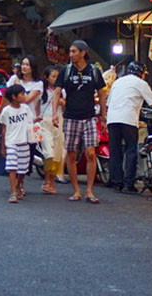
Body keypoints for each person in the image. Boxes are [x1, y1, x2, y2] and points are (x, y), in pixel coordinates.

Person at [106, 62, 152, 193]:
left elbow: (109, 103)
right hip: (128, 119)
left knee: (115, 151)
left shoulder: (118, 82)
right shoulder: (140, 83)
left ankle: (116, 182)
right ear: (141, 73)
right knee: (130, 150)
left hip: (112, 119)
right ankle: (128, 183)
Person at [54, 40, 107, 204]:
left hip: (90, 117)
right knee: (71, 154)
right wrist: (55, 113)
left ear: (83, 53)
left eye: (74, 51)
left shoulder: (94, 71)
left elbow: (102, 93)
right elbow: (57, 92)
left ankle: (89, 190)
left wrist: (104, 116)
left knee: (91, 153)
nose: (71, 55)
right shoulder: (66, 71)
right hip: (70, 117)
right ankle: (76, 190)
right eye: (70, 52)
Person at [0, 84, 34, 203]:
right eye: (22, 94)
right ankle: (13, 191)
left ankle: (19, 184)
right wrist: (3, 146)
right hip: (11, 142)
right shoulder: (7, 111)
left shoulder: (26, 109)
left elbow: (30, 122)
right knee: (12, 167)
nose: (25, 96)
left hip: (24, 141)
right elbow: (4, 129)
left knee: (23, 169)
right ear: (14, 96)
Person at [39, 65, 65, 194]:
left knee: (57, 153)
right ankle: (46, 180)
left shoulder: (62, 91)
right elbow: (36, 106)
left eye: (57, 77)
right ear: (46, 77)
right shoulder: (41, 90)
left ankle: (52, 180)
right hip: (44, 122)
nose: (56, 79)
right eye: (53, 76)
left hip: (58, 122)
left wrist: (61, 101)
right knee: (48, 152)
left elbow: (66, 103)